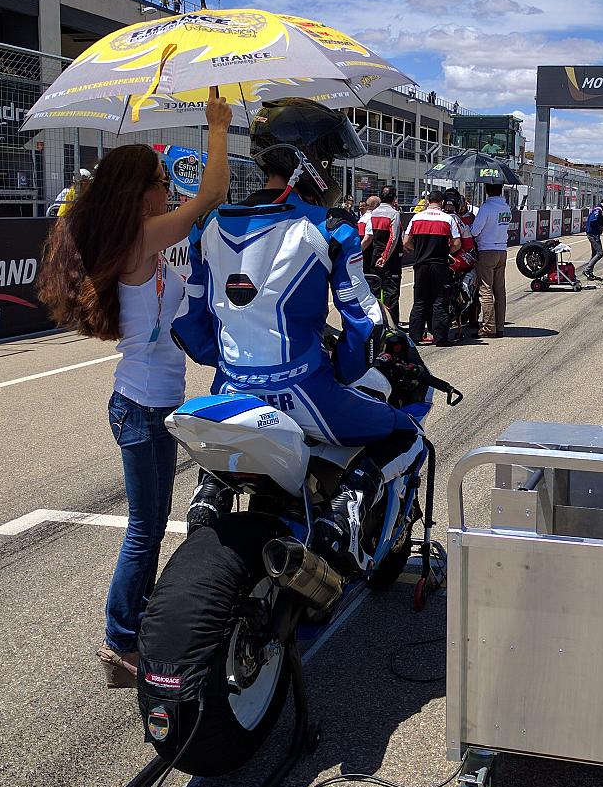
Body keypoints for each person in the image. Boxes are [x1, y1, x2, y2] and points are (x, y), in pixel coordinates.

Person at [173, 95, 425, 579]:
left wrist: (230, 360)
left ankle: (211, 491)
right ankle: (345, 510)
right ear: (306, 162)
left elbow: (191, 324)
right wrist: (346, 369)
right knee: (404, 433)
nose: (332, 170)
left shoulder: (208, 224)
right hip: (307, 395)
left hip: (228, 392)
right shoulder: (331, 229)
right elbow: (365, 324)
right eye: (328, 159)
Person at [36, 91, 232, 686]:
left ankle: (132, 629)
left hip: (147, 401)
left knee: (150, 522)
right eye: (159, 179)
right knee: (146, 529)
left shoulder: (134, 237)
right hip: (143, 406)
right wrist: (217, 129)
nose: (167, 187)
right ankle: (121, 642)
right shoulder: (141, 238)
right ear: (140, 190)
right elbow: (212, 196)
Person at [403, 188, 462, 345]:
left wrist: (420, 251)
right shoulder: (447, 218)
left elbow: (406, 241)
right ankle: (440, 338)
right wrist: (445, 252)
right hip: (439, 264)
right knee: (439, 300)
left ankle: (415, 337)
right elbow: (457, 243)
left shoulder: (416, 217)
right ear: (442, 203)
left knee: (420, 300)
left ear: (428, 201)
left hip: (421, 264)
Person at [470, 182, 511, 337]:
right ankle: (499, 327)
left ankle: (488, 328)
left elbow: (475, 231)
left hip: (487, 250)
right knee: (499, 290)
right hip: (502, 250)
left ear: (486, 190)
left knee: (485, 289)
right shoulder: (505, 207)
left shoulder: (486, 208)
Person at [365, 185, 404, 327]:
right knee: (391, 291)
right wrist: (385, 256)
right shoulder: (394, 213)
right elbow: (393, 238)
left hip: (375, 255)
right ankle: (392, 324)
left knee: (375, 290)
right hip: (389, 258)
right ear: (394, 198)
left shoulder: (373, 213)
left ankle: (375, 322)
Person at [582, 196, 603, 280]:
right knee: (599, 253)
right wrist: (600, 227)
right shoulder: (598, 210)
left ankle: (590, 272)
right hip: (593, 234)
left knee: (595, 254)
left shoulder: (598, 209)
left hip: (593, 233)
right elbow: (593, 221)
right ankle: (587, 270)